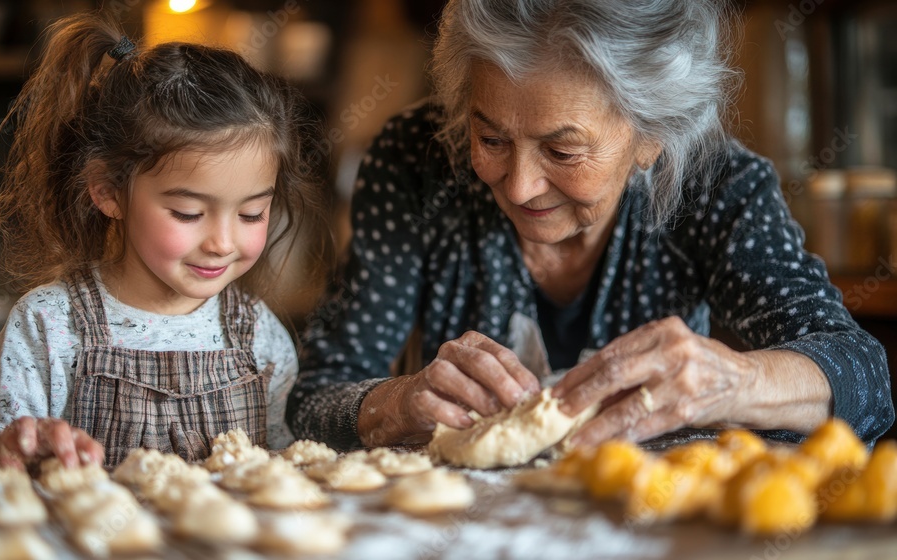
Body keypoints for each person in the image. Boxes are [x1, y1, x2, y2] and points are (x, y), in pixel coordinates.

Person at [287, 0, 894, 451]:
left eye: (564, 151)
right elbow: (314, 398)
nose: (520, 185)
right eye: (491, 137)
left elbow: (863, 379)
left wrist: (732, 379)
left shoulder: (715, 184)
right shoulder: (416, 161)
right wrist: (396, 401)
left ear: (651, 136)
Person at [0, 12, 328, 478]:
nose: (223, 242)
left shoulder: (260, 335)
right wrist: (15, 453)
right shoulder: (51, 325)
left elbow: (284, 474)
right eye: (188, 213)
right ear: (108, 191)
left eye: (252, 214)